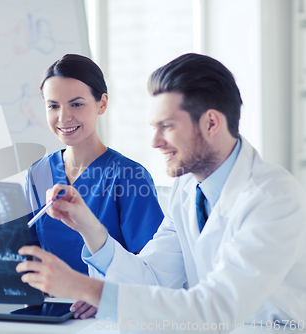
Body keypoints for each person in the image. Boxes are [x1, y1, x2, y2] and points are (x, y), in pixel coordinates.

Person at [16, 53, 306, 331]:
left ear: (211, 123)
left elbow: (216, 309)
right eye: (154, 127)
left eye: (166, 127)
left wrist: (83, 287)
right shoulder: (188, 186)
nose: (155, 142)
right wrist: (88, 226)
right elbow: (152, 278)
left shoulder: (273, 197)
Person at [24, 54, 164, 319]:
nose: (64, 117)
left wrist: (105, 295)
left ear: (102, 103)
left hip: (108, 313)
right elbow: (28, 253)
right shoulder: (38, 172)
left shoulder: (130, 176)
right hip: (50, 313)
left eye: (76, 104)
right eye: (53, 106)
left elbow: (151, 269)